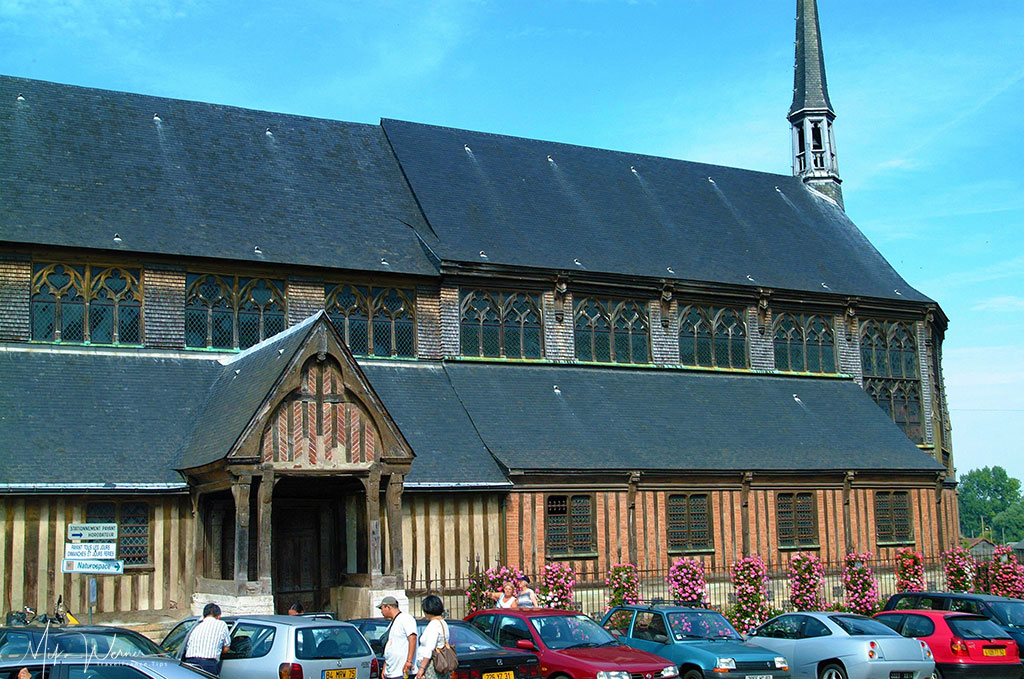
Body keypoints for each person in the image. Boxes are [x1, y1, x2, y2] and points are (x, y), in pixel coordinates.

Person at [183, 602, 231, 676]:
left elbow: (188, 646)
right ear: (218, 616)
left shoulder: (197, 626)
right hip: (208, 665)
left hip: (189, 663)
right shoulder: (221, 624)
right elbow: (226, 648)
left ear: (204, 616)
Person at [379, 595, 417, 679]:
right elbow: (389, 646)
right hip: (391, 671)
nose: (381, 612)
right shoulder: (392, 623)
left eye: (381, 608)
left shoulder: (406, 618)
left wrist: (409, 661)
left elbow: (413, 638)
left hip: (402, 671)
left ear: (388, 607)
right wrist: (385, 667)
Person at [414, 595, 450, 679]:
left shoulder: (433, 625)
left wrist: (421, 668)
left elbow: (429, 649)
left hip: (431, 665)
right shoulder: (443, 623)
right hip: (441, 663)